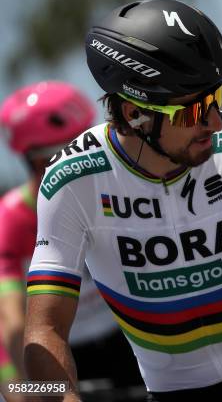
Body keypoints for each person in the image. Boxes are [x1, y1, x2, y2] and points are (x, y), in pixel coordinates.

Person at [23, 0, 222, 402]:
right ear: (135, 113)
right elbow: (44, 330)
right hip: (176, 392)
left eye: (216, 98)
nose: (214, 121)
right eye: (195, 109)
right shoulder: (72, 181)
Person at [0, 81, 142, 401]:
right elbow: (10, 325)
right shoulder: (10, 219)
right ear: (37, 162)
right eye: (70, 152)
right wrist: (25, 389)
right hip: (67, 357)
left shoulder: (119, 188)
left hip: (131, 338)